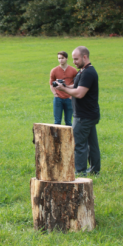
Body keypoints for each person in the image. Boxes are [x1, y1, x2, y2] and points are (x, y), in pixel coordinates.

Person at [55, 46, 101, 176]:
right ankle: (94, 170)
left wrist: (63, 90)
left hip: (83, 116)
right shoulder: (83, 71)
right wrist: (64, 85)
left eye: (76, 59)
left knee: (78, 144)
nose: (74, 62)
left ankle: (80, 172)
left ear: (84, 57)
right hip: (89, 114)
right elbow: (75, 87)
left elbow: (79, 93)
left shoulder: (88, 73)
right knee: (92, 144)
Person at [49, 51, 78, 126]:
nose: (60, 60)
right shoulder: (54, 70)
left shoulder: (73, 70)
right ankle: (56, 138)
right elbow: (51, 84)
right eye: (59, 58)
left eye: (62, 58)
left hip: (69, 98)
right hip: (58, 99)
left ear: (67, 58)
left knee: (68, 121)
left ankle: (70, 138)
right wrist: (55, 94)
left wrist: (72, 95)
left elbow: (76, 84)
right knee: (57, 121)